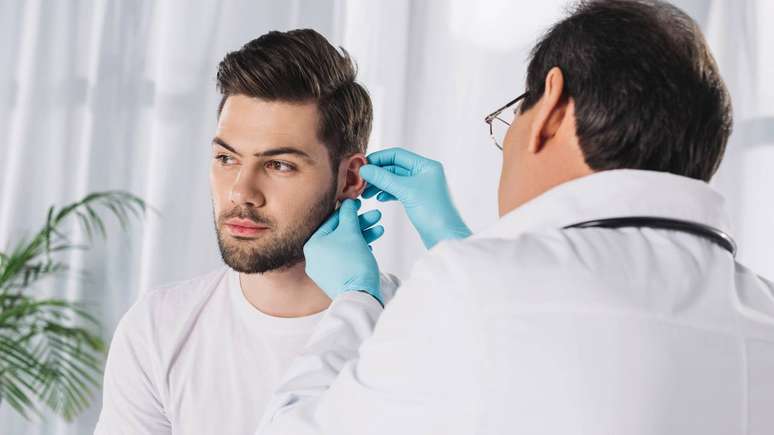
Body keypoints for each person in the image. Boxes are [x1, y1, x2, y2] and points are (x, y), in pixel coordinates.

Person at [256, 1, 774, 434]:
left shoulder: (470, 287)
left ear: (552, 106)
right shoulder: (763, 312)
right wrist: (458, 247)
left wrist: (355, 299)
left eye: (510, 116)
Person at [94, 29, 399, 434]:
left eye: (280, 165)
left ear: (350, 178)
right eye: (226, 158)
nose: (241, 192)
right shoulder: (158, 328)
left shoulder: (414, 322)